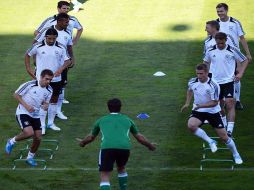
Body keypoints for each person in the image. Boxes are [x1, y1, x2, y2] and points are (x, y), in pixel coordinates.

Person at [79, 98, 156, 190]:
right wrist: (150, 145)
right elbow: (139, 137)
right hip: (124, 148)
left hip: (107, 148)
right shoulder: (128, 120)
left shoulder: (101, 120)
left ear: (108, 108)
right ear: (120, 108)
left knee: (105, 175)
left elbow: (91, 137)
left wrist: (83, 143)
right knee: (121, 168)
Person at [181, 64, 243, 164]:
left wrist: (200, 106)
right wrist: (187, 103)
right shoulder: (192, 81)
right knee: (191, 125)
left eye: (201, 73)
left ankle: (236, 154)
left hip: (213, 112)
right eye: (197, 73)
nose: (199, 76)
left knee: (224, 138)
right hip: (199, 111)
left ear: (206, 73)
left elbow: (214, 102)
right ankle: (210, 141)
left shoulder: (213, 85)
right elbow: (190, 90)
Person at [25, 28, 71, 133]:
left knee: (54, 100)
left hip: (56, 79)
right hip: (41, 79)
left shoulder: (61, 47)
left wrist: (61, 69)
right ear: (45, 37)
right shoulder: (38, 46)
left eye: (53, 39)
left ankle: (50, 123)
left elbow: (68, 61)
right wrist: (29, 69)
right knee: (42, 102)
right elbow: (27, 54)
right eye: (49, 38)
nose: (51, 41)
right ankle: (42, 126)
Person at [203, 32, 248, 137]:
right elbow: (205, 62)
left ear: (226, 40)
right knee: (219, 106)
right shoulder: (210, 50)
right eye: (218, 43)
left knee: (230, 104)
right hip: (215, 83)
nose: (220, 45)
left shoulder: (232, 50)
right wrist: (206, 76)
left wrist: (240, 73)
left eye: (222, 43)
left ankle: (229, 130)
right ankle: (223, 125)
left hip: (228, 82)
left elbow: (245, 60)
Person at [5, 69, 54, 166]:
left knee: (38, 137)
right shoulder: (30, 84)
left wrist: (46, 105)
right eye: (46, 79)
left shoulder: (49, 90)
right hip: (23, 112)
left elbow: (45, 102)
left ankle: (30, 157)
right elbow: (16, 95)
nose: (48, 81)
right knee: (29, 133)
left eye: (50, 80)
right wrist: (27, 106)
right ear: (41, 77)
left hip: (35, 115)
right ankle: (11, 141)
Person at [35, 13, 74, 120]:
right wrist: (35, 61)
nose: (68, 23)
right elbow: (35, 44)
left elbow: (69, 46)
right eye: (66, 22)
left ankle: (57, 111)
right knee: (42, 90)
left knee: (60, 88)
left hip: (62, 65)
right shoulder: (47, 31)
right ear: (59, 21)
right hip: (45, 65)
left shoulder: (68, 32)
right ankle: (39, 114)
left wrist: (72, 58)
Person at [216, 3, 252, 110]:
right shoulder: (216, 24)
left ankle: (237, 100)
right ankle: (224, 100)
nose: (219, 13)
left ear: (226, 11)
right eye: (218, 11)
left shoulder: (235, 23)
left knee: (236, 77)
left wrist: (248, 53)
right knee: (224, 77)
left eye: (221, 11)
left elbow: (242, 38)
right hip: (221, 55)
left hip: (235, 55)